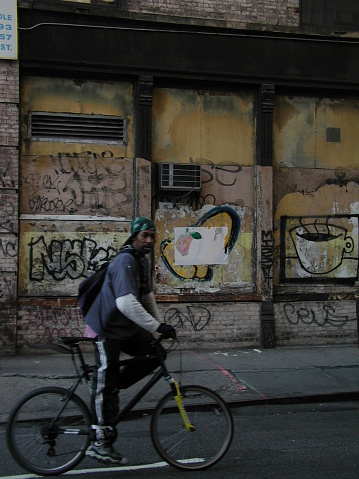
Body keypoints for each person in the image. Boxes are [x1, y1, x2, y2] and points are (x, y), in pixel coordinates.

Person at [83, 216, 176, 465]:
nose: (148, 240)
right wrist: (156, 325)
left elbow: (146, 298)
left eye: (151, 236)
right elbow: (125, 302)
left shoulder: (142, 262)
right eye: (144, 235)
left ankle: (113, 384)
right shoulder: (124, 261)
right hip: (106, 327)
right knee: (106, 380)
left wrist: (158, 331)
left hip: (125, 327)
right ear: (133, 236)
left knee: (156, 353)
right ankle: (99, 443)